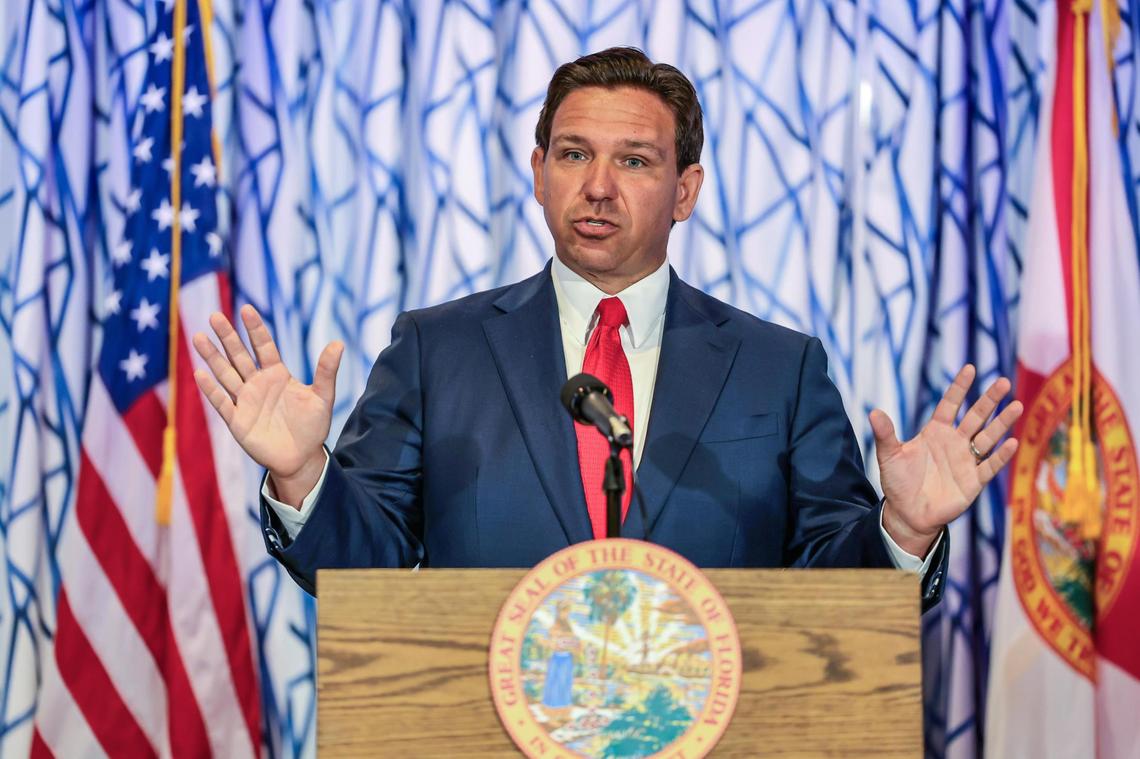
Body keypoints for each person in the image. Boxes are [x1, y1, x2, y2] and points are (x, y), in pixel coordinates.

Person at [192, 48, 1021, 606]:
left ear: (685, 191)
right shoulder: (436, 351)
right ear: (538, 172)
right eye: (572, 153)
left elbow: (837, 591)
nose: (596, 185)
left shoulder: (781, 368)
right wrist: (303, 474)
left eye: (633, 160)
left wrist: (905, 529)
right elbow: (358, 565)